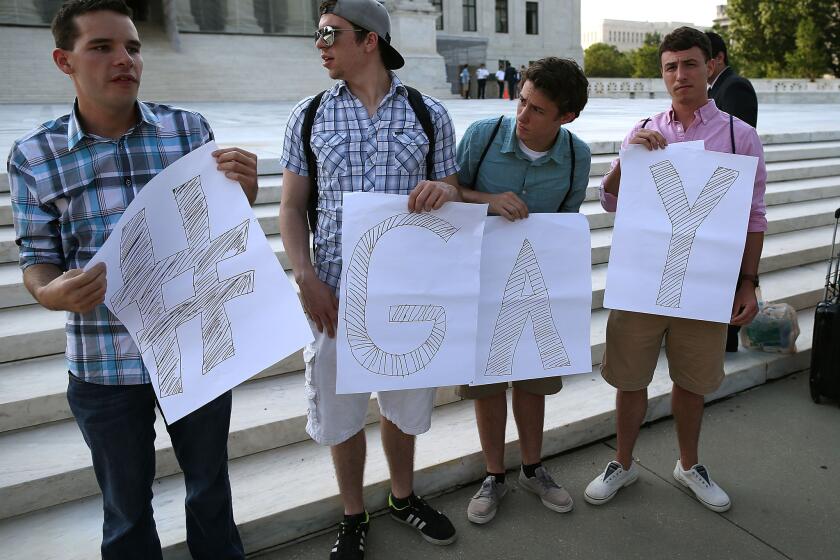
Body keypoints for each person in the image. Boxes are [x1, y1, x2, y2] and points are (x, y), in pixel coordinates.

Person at [7, 1, 258, 558]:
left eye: (133, 47)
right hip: (103, 362)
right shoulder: (34, 156)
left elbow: (220, 227)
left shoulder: (187, 130)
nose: (125, 59)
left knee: (211, 494)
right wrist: (49, 292)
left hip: (194, 348)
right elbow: (37, 255)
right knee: (124, 511)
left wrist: (243, 193)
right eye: (102, 47)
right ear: (63, 60)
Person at [278, 1, 461, 558]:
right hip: (333, 293)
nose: (321, 44)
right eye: (319, 34)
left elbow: (450, 189)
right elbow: (290, 207)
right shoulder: (307, 115)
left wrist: (445, 192)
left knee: (403, 407)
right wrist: (305, 277)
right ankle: (352, 514)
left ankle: (402, 497)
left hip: (407, 295)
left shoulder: (429, 115)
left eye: (331, 33)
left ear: (370, 41)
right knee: (340, 413)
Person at [584, 26, 766, 513]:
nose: (679, 74)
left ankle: (689, 465)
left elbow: (753, 215)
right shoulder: (644, 127)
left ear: (710, 66)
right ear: (661, 73)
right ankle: (622, 463)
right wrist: (625, 162)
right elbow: (609, 201)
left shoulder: (739, 136)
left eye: (689, 64)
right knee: (630, 379)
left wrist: (748, 281)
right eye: (670, 66)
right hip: (643, 279)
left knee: (692, 381)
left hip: (703, 284)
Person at [455, 57, 591, 524]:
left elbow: (567, 226)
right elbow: (449, 193)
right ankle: (494, 475)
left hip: (536, 288)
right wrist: (487, 201)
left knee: (533, 385)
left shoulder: (577, 155)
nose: (522, 116)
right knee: (487, 385)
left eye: (536, 110)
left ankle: (533, 469)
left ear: (566, 117)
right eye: (522, 101)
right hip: (481, 282)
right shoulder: (483, 135)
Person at [705, 30, 759, 352]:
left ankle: (726, 338)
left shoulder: (734, 86)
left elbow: (736, 136)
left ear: (718, 58)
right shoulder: (718, 87)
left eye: (703, 59)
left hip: (725, 189)